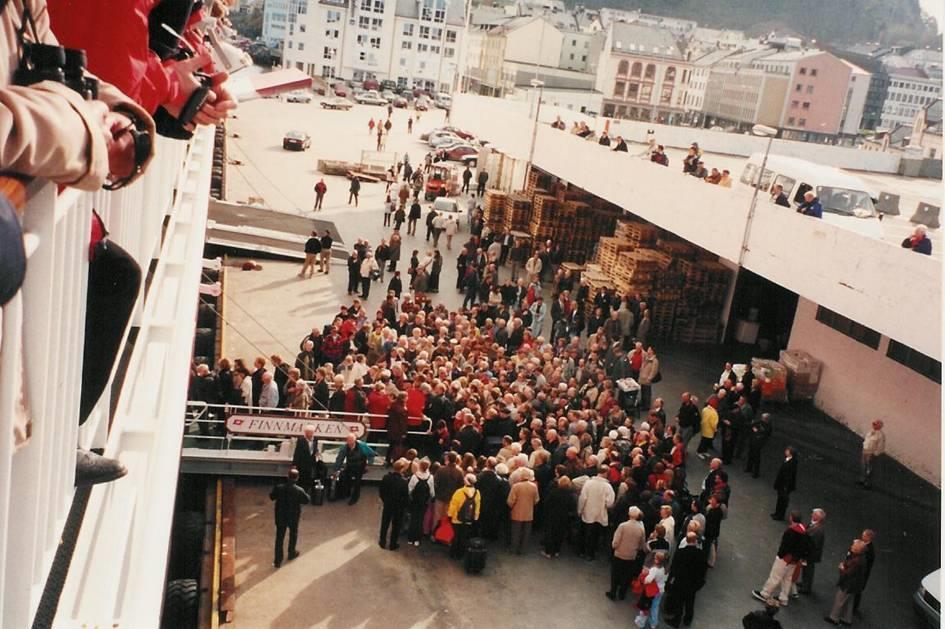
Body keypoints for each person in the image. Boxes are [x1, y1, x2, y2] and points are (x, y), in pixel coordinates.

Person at [752, 510, 810, 607]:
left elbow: (785, 546)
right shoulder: (803, 531)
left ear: (791, 518)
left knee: (775, 576)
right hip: (794, 560)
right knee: (787, 578)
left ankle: (765, 594)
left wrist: (780, 555)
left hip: (785, 558)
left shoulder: (791, 531)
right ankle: (783, 598)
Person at [664, 531, 708, 627]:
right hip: (693, 584)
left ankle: (676, 620)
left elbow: (674, 568)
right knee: (690, 602)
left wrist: (670, 581)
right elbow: (703, 570)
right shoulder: (701, 554)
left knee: (679, 602)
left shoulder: (680, 553)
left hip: (680, 583)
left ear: (686, 540)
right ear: (695, 541)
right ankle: (688, 619)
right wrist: (700, 583)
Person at [269, 469, 310, 567]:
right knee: (293, 534)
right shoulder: (299, 490)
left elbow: (271, 497)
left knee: (279, 537)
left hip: (280, 516)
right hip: (293, 516)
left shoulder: (279, 488)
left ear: (287, 476)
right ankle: (291, 553)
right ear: (297, 478)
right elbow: (306, 500)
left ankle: (277, 560)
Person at [824, 539, 869, 626]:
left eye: (853, 546)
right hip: (855, 585)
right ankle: (847, 619)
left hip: (848, 584)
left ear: (857, 549)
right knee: (849, 602)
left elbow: (848, 573)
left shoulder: (856, 561)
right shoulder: (862, 558)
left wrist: (841, 568)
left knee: (840, 600)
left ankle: (834, 618)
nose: (851, 546)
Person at [577, 465, 616, 560]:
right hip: (600, 515)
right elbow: (610, 503)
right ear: (606, 474)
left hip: (587, 512)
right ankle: (590, 554)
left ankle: (581, 551)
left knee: (584, 533)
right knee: (595, 535)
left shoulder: (588, 483)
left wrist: (580, 510)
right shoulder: (608, 487)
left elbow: (583, 498)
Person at [607, 506, 646, 601]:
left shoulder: (623, 526)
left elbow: (616, 541)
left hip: (619, 554)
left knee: (615, 574)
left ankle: (613, 592)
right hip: (631, 556)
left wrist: (615, 547)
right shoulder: (641, 529)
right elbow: (641, 544)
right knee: (626, 576)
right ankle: (622, 594)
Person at [506, 467, 539, 554]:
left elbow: (510, 501)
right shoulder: (534, 487)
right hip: (529, 513)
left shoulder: (516, 486)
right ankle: (523, 549)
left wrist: (511, 507)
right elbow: (536, 500)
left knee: (516, 532)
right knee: (526, 533)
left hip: (517, 512)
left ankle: (514, 548)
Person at [447, 474, 481, 559]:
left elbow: (453, 505)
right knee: (464, 536)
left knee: (455, 536)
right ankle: (460, 554)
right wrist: (476, 517)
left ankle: (453, 553)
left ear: (466, 481)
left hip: (457, 518)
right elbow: (477, 506)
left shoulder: (459, 492)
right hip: (469, 518)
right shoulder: (477, 493)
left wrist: (450, 515)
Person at [378, 460, 410, 550]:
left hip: (388, 504)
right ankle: (393, 544)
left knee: (385, 523)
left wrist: (385, 500)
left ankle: (382, 541)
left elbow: (381, 491)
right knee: (396, 525)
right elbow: (405, 496)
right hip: (398, 507)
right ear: (402, 469)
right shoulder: (404, 482)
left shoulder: (386, 477)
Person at [333, 434, 368, 505]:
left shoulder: (362, 446)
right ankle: (345, 493)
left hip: (360, 466)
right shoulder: (345, 448)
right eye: (348, 441)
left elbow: (370, 453)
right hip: (350, 466)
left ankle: (355, 498)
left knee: (357, 483)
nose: (349, 442)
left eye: (351, 441)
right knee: (345, 477)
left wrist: (367, 464)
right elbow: (340, 458)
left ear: (355, 440)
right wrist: (336, 470)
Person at [798, 508, 826, 594]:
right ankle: (804, 583)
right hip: (808, 553)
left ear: (817, 517)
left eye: (813, 514)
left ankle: (806, 587)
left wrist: (805, 553)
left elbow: (813, 544)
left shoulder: (818, 529)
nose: (811, 515)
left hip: (810, 554)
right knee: (806, 568)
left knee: (808, 570)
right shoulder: (814, 525)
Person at [291, 424, 321, 496]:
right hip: (302, 463)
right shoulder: (301, 440)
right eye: (308, 433)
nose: (310, 435)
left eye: (311, 433)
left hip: (311, 462)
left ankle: (305, 493)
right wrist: (294, 464)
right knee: (301, 479)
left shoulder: (315, 439)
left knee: (309, 478)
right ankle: (300, 493)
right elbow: (297, 452)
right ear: (305, 433)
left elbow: (315, 448)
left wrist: (317, 452)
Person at [852, 529, 876, 614]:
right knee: (857, 590)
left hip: (861, 575)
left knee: (857, 591)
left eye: (864, 536)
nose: (862, 537)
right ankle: (853, 607)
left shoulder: (869, 551)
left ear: (868, 538)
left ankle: (854, 608)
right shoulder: (865, 546)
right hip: (861, 574)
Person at [771, 446, 798, 521]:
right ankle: (777, 513)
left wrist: (785, 486)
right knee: (779, 499)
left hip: (784, 486)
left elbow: (789, 476)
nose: (785, 451)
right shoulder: (788, 460)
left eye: (787, 450)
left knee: (782, 501)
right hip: (782, 484)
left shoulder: (792, 463)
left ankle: (780, 515)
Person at [857, 419, 885, 489]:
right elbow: (867, 440)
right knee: (863, 466)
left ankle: (868, 483)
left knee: (870, 468)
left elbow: (881, 446)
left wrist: (875, 454)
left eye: (875, 424)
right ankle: (862, 480)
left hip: (871, 452)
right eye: (873, 424)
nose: (873, 425)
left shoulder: (880, 435)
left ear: (879, 426)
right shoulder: (870, 431)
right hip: (865, 451)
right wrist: (864, 446)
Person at [746, 413, 772, 478]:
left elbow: (765, 433)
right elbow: (751, 426)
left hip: (759, 443)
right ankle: (749, 468)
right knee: (750, 454)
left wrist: (757, 431)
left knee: (756, 457)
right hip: (753, 441)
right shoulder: (759, 422)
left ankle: (756, 472)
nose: (762, 419)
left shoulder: (768, 426)